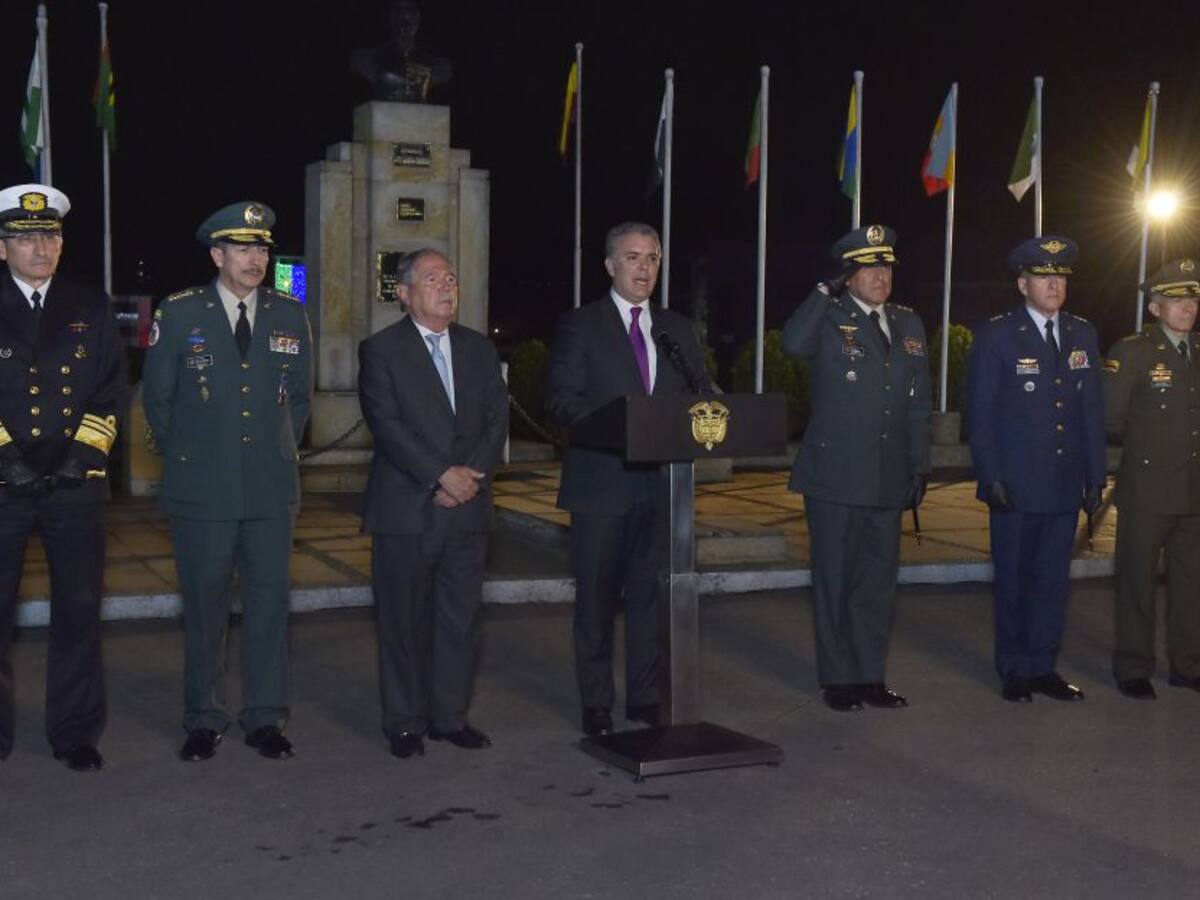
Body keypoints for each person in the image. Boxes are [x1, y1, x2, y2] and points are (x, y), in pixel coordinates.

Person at [143, 202, 312, 762]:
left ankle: (266, 717)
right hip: (202, 489)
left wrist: (277, 452)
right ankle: (203, 717)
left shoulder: (290, 314)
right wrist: (194, 458)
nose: (256, 258)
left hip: (269, 488)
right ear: (217, 255)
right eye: (243, 248)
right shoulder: (181, 312)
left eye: (262, 248)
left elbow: (301, 400)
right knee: (205, 607)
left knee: (268, 607)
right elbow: (159, 402)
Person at [545, 222, 712, 737]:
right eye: (634, 258)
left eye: (653, 259)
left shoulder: (677, 329)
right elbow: (560, 401)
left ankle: (643, 697)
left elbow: (699, 395)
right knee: (596, 601)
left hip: (661, 486)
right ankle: (597, 702)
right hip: (601, 485)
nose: (645, 269)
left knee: (648, 599)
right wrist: (621, 426)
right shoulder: (581, 326)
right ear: (610, 266)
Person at [358, 248, 507, 759]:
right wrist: (440, 475)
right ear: (403, 294)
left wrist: (468, 481)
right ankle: (404, 722)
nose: (446, 286)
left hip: (467, 508)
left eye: (451, 277)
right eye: (431, 278)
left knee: (459, 620)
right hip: (406, 510)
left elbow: (495, 420)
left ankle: (450, 717)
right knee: (403, 621)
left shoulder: (479, 350)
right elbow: (387, 426)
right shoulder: (380, 351)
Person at [0, 184, 128, 772]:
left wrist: (83, 456)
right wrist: (7, 460)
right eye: (26, 238)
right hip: (3, 483)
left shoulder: (90, 304)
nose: (40, 247)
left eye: (49, 236)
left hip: (75, 485)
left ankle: (75, 732)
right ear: (3, 247)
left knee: (77, 612)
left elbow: (109, 387)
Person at [781, 225, 931, 712]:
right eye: (868, 267)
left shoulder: (908, 324)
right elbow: (792, 344)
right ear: (849, 274)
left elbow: (917, 403)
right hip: (835, 475)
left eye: (885, 267)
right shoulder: (828, 316)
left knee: (876, 584)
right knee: (835, 579)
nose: (880, 276)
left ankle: (869, 675)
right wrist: (825, 289)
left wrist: (918, 466)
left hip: (888, 476)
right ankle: (838, 679)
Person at [966, 236, 1106, 703]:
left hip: (1064, 483)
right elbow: (980, 415)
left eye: (1060, 278)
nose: (1054, 285)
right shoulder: (998, 334)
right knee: (1014, 579)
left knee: (1052, 582)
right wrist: (990, 477)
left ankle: (1044, 667)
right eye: (1044, 278)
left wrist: (1095, 476)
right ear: (1023, 283)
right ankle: (1014, 670)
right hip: (1016, 484)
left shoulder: (1083, 333)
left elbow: (1090, 412)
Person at [1103, 258, 1200, 699]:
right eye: (1177, 299)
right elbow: (1111, 418)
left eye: (1193, 298)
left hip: (1193, 493)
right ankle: (1133, 666)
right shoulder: (1133, 351)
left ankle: (1187, 664)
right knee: (1136, 583)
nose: (1188, 307)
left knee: (1190, 584)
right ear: (1155, 307)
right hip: (1146, 491)